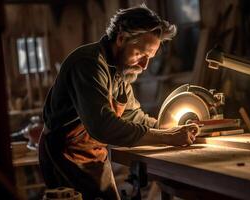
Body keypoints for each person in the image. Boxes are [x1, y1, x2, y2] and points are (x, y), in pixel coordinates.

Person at [39, 4, 198, 200]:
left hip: (95, 156)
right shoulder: (88, 64)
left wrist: (168, 127)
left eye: (149, 57)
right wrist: (166, 137)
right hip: (65, 157)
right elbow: (103, 126)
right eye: (140, 54)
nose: (144, 65)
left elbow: (134, 115)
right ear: (121, 38)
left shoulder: (120, 74)